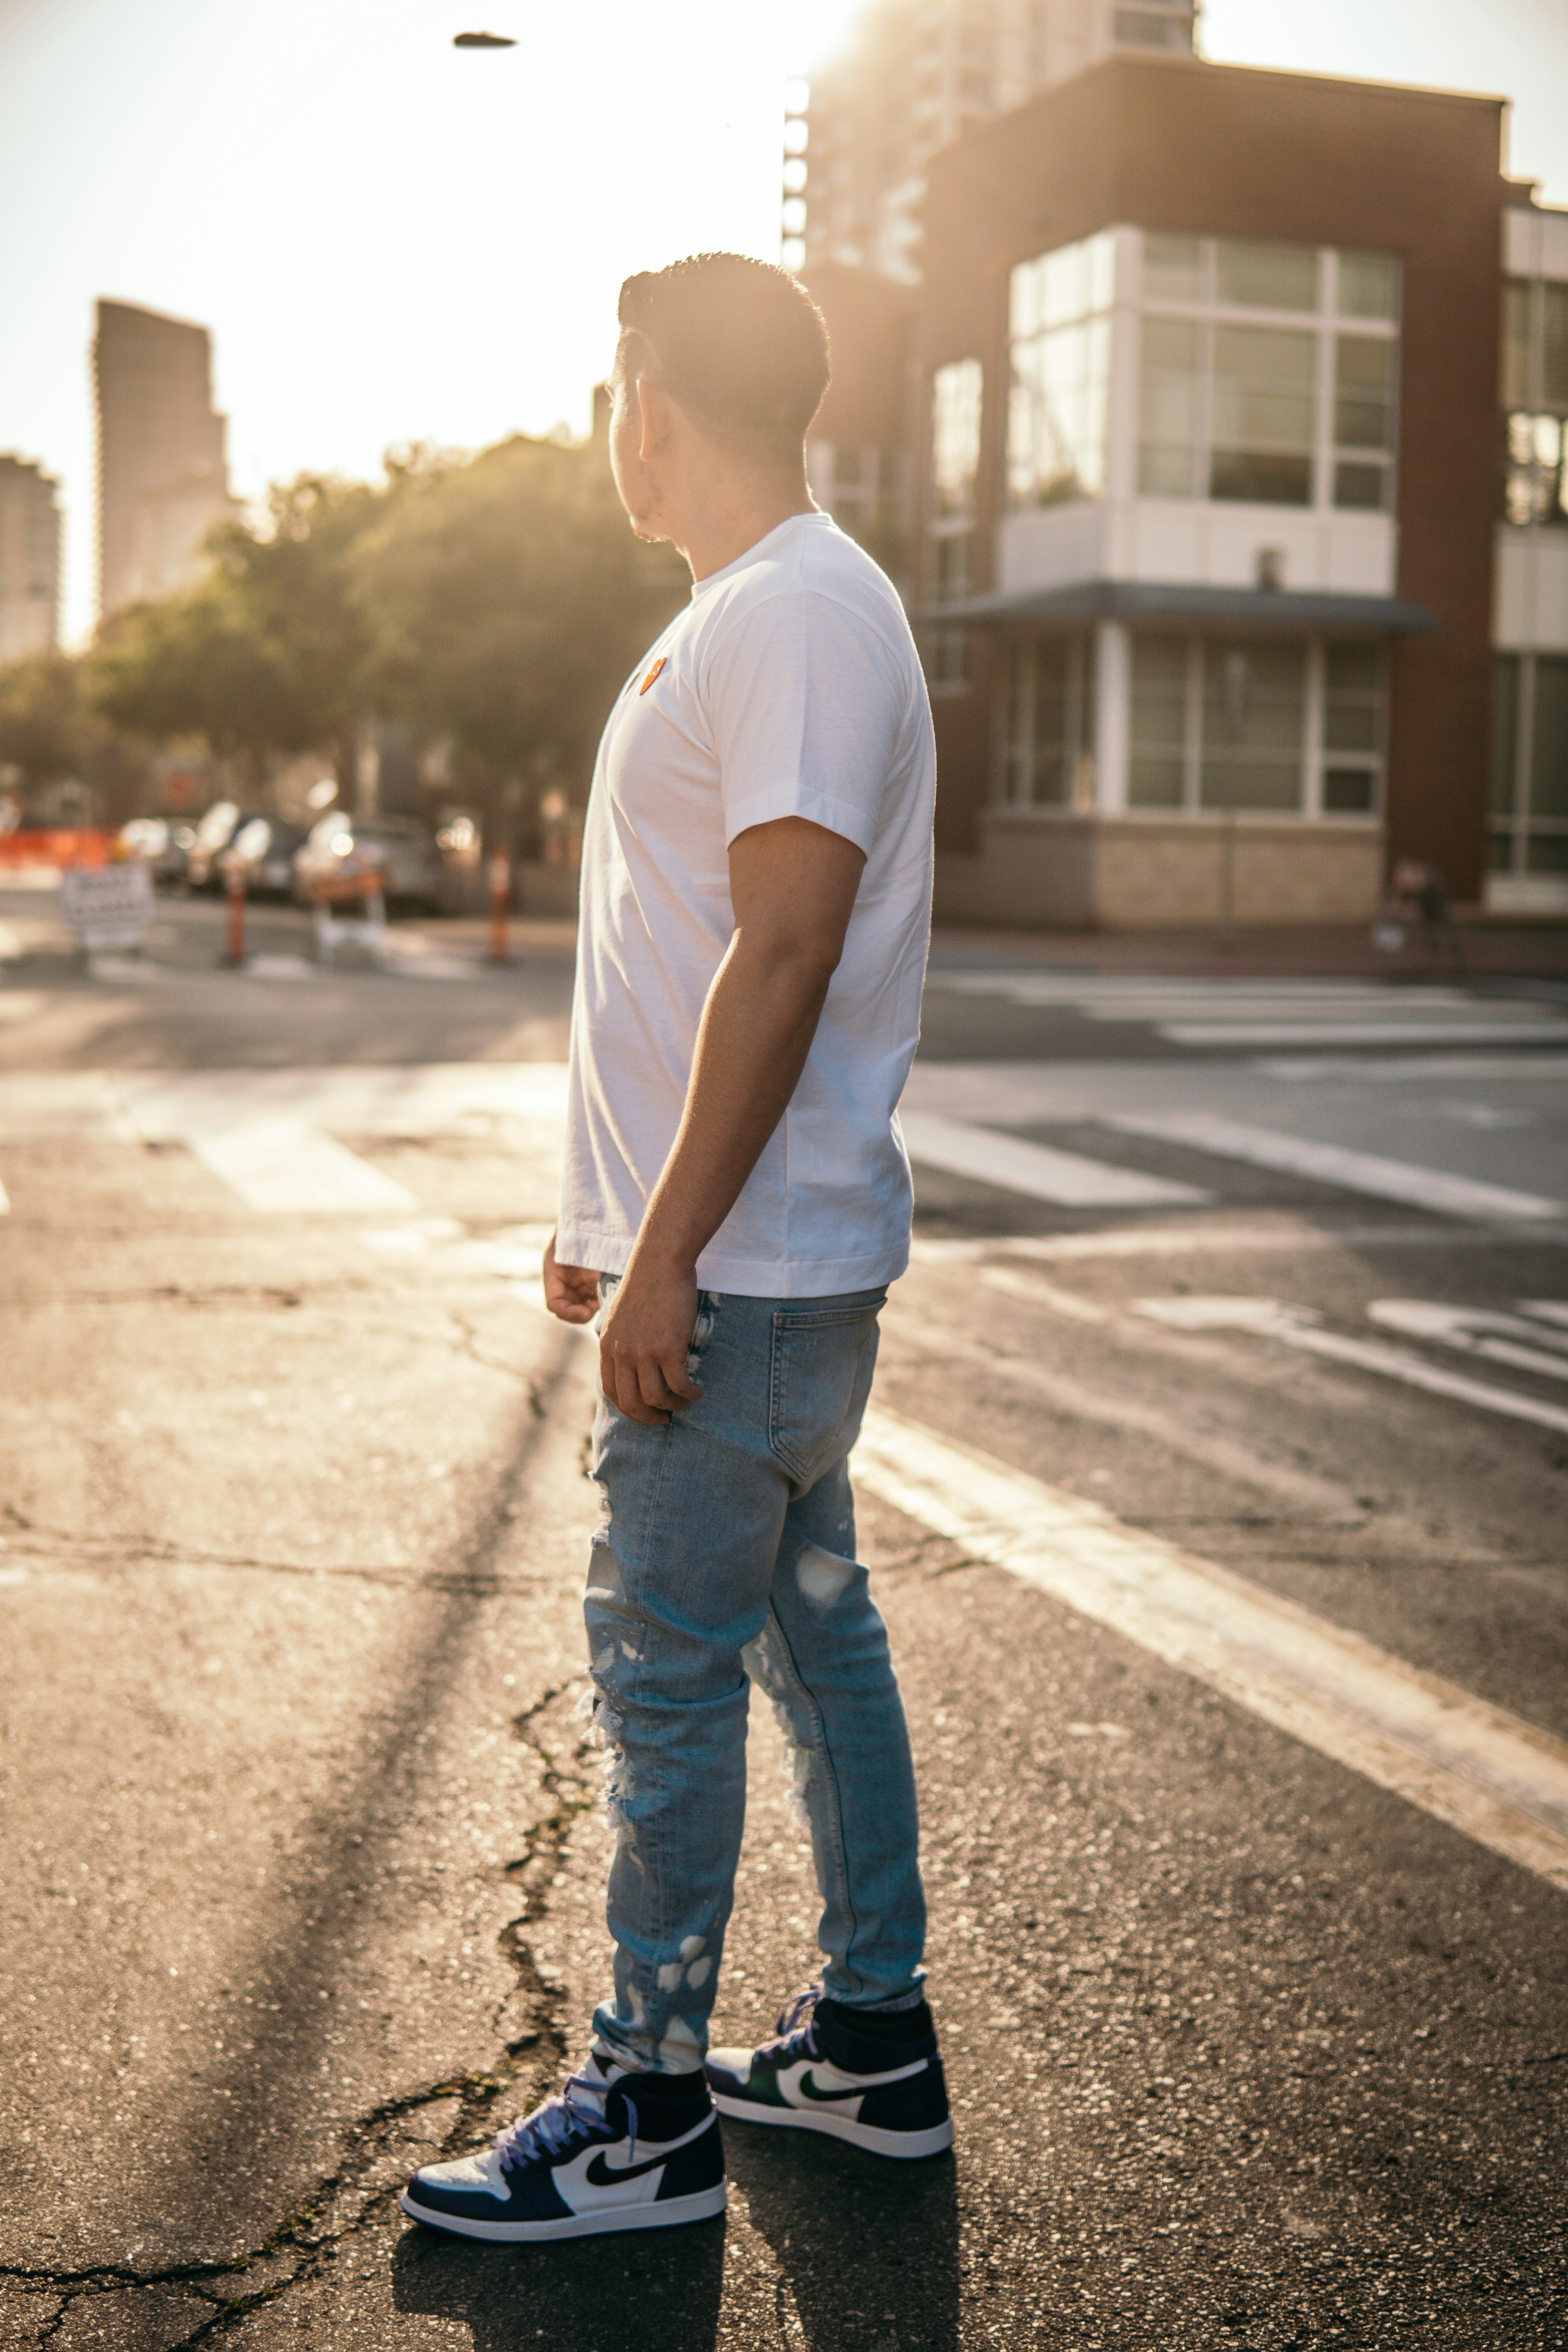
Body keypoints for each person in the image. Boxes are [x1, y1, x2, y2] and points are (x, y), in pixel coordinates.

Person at [402, 253, 947, 2246]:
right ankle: (870, 2047)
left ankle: (645, 2107)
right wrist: (613, 1222)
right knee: (815, 1641)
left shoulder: (797, 609)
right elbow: (689, 961)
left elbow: (788, 948)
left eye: (605, 383)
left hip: (747, 1287)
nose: (597, 422)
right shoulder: (745, 613)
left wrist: (667, 1260)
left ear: (655, 395)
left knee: (667, 1676)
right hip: (747, 1265)